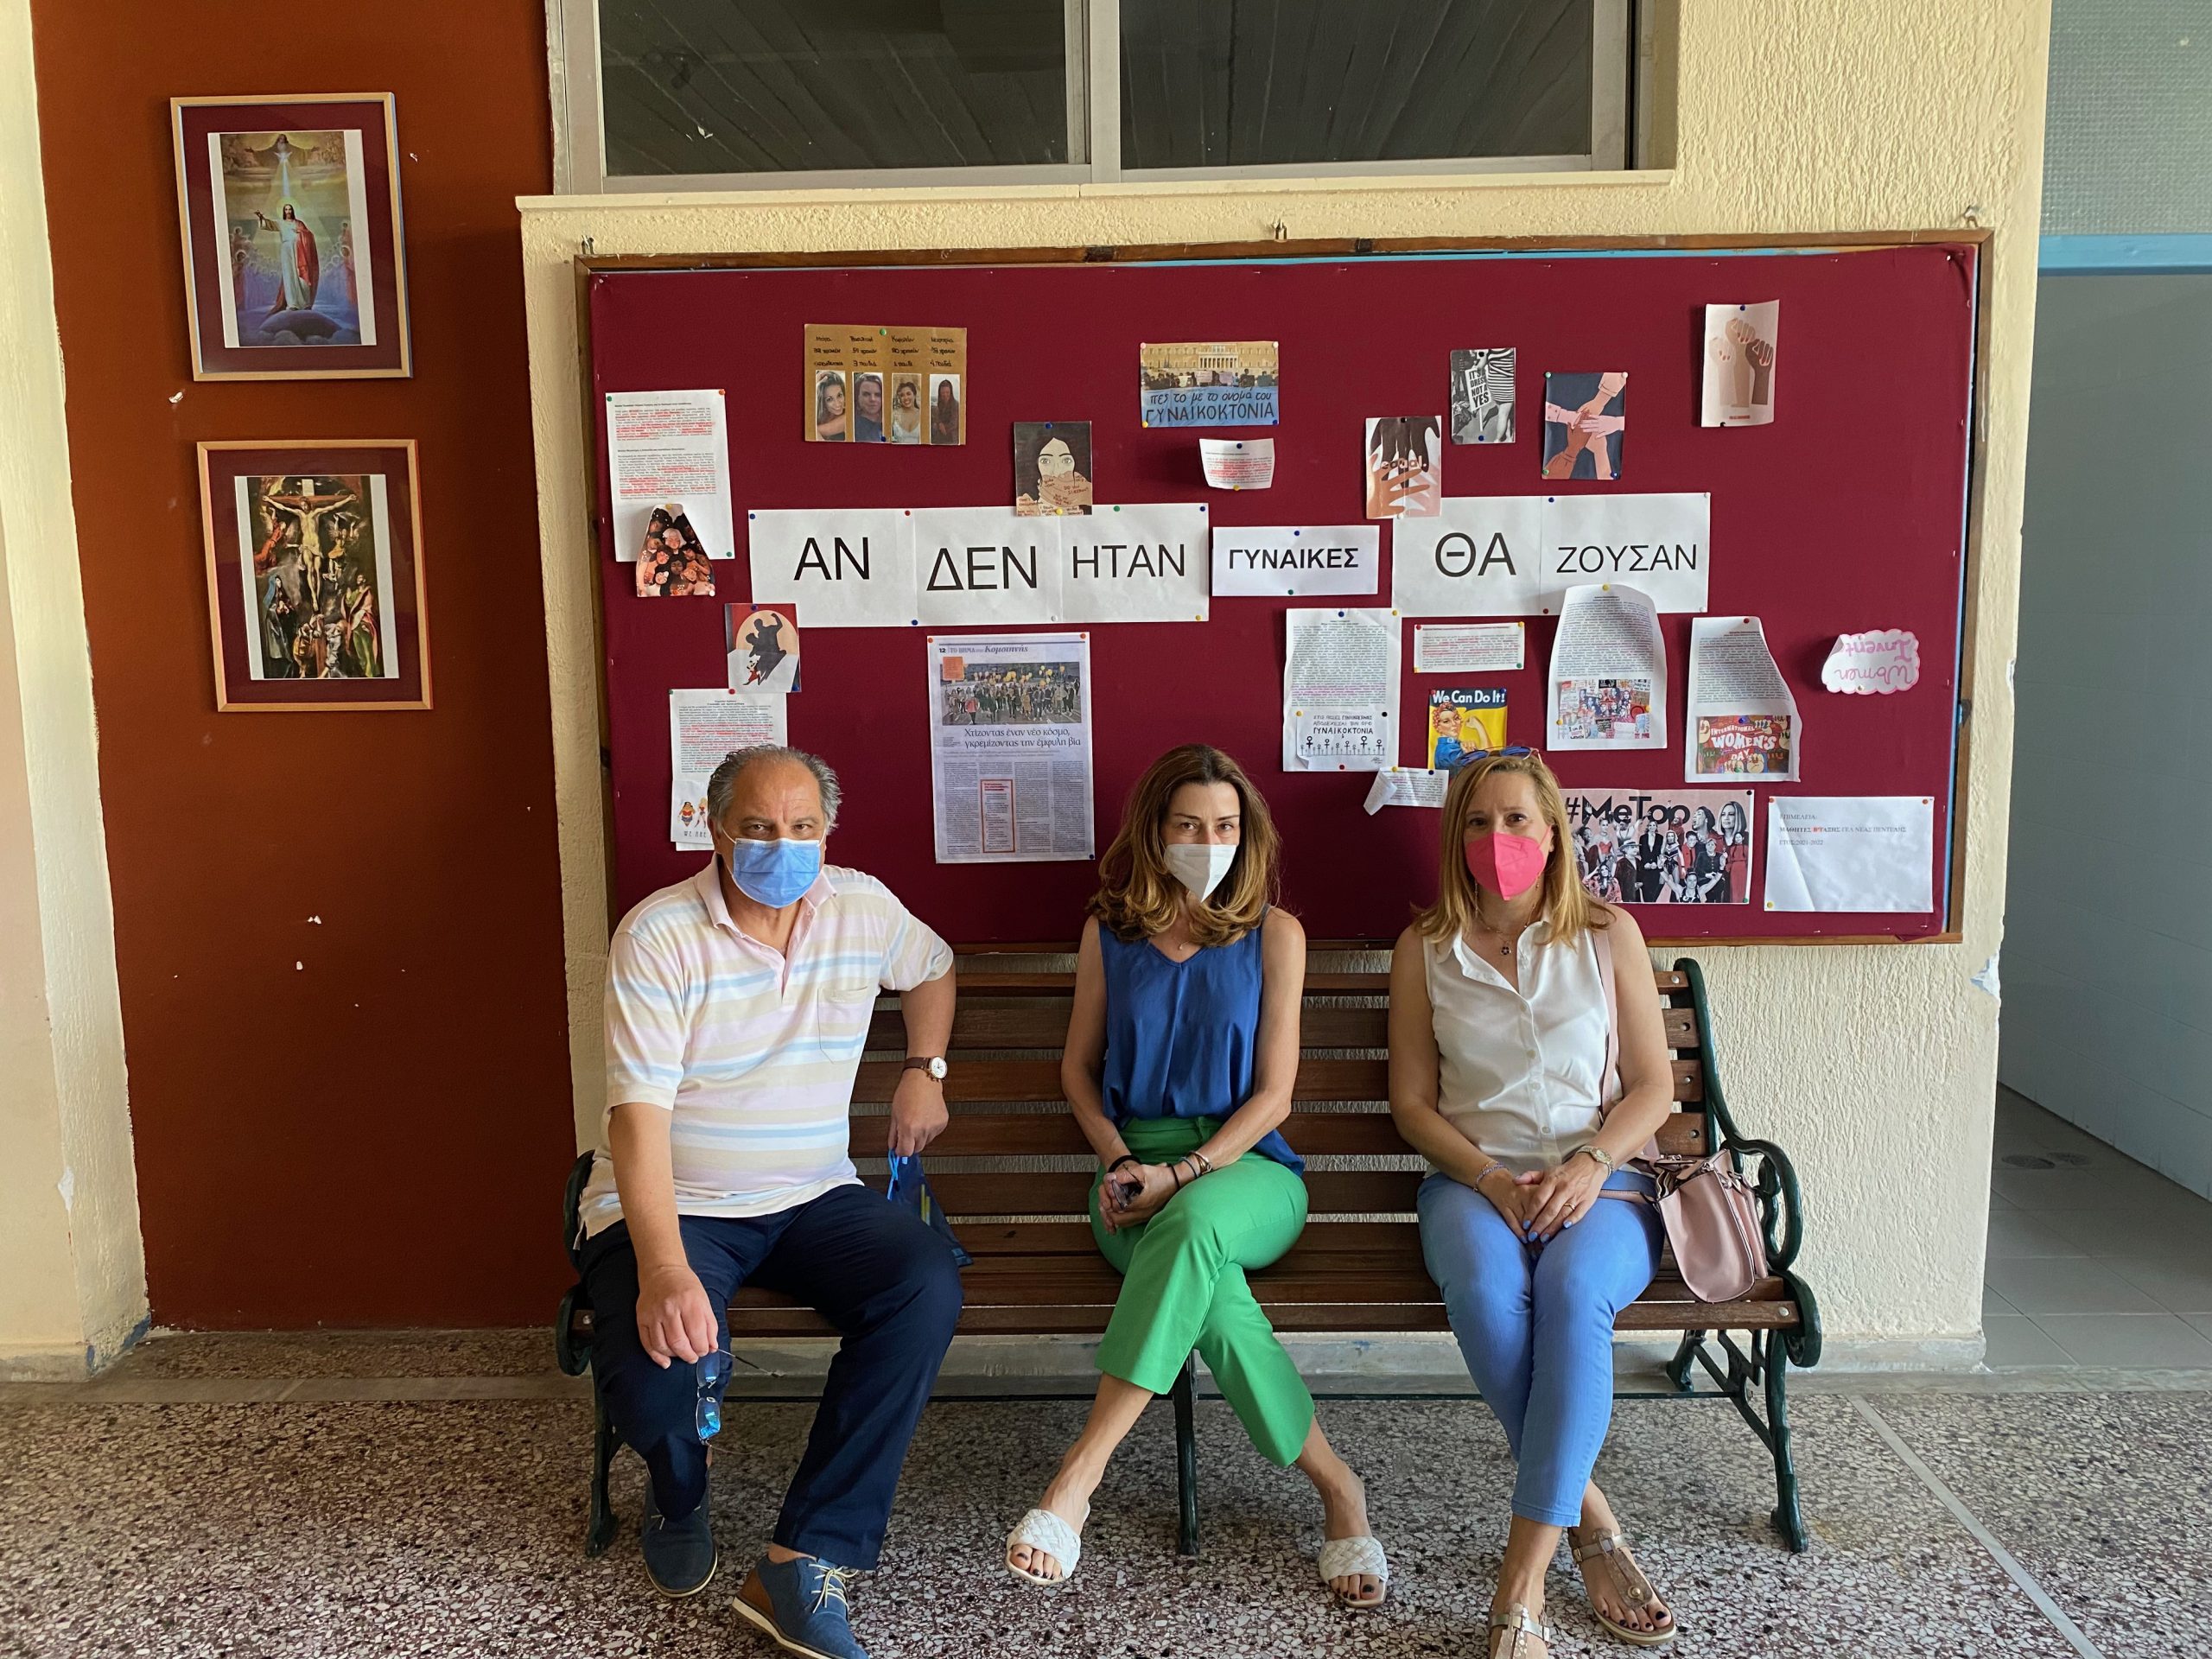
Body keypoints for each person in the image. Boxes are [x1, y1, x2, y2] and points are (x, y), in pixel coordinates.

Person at [576, 745, 963, 1659]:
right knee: (659, 1380)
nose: (781, 846)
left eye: (802, 828)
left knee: (923, 1282)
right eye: (757, 827)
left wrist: (925, 1068)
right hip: (676, 1201)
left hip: (811, 1192)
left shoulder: (860, 906)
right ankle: (679, 1490)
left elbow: (934, 966)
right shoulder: (658, 934)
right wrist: (664, 1268)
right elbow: (637, 1117)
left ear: (828, 833)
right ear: (714, 830)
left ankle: (802, 1556)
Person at [1003, 744, 1389, 1608]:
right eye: (1187, 825)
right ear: (1155, 831)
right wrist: (1119, 1160)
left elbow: (1276, 1094)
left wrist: (1184, 1173)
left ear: (1246, 836)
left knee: (1193, 1224)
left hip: (1247, 1167)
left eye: (1223, 827)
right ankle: (1338, 1487)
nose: (1207, 842)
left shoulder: (1276, 936)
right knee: (1210, 1287)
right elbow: (1077, 1070)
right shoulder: (1108, 934)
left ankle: (1079, 1475)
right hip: (1129, 1170)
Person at [1388, 750, 1680, 1657]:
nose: (1498, 837)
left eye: (1516, 818)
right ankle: (1593, 1523)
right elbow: (1412, 1105)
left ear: (1551, 833)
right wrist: (1486, 1179)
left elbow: (1653, 1087)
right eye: (1477, 822)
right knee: (1483, 1292)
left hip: (1605, 1182)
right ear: (1455, 840)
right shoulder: (1423, 948)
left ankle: (1521, 1583)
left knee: (1571, 1291)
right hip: (1472, 1183)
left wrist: (1591, 1164)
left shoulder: (1607, 934)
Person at [887, 375, 924, 443]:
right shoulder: (894, 415)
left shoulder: (922, 415)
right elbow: (887, 438)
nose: (906, 398)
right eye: (902, 395)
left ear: (914, 395)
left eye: (908, 394)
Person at [852, 373, 886, 442]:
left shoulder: (890, 423)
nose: (872, 399)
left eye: (877, 395)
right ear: (857, 397)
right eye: (866, 394)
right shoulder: (852, 425)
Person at [814, 372, 849, 442]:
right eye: (829, 399)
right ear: (822, 402)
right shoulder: (818, 415)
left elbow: (811, 430)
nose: (837, 404)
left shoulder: (847, 418)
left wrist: (813, 386)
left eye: (839, 395)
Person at [929, 377, 961, 445]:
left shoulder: (955, 405)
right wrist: (940, 423)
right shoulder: (940, 403)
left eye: (947, 392)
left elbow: (954, 424)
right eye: (943, 392)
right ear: (940, 393)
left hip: (952, 436)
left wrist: (943, 427)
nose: (945, 395)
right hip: (941, 432)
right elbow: (938, 417)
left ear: (951, 392)